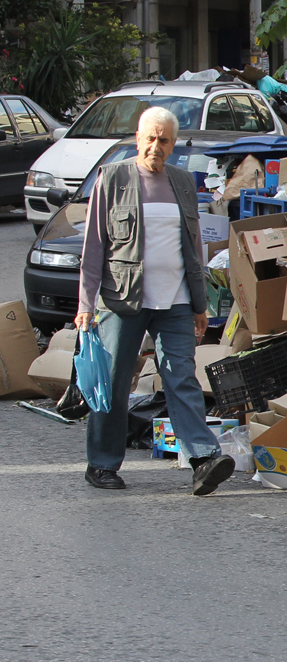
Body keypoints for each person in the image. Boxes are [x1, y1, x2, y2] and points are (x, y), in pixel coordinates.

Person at [77, 106, 235, 495]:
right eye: (150, 138)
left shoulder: (182, 181)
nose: (156, 146)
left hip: (177, 302)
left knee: (181, 378)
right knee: (113, 383)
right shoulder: (113, 178)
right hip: (122, 301)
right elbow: (94, 247)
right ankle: (102, 464)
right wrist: (84, 304)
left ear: (173, 144)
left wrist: (201, 306)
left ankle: (203, 460)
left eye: (164, 140)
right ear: (138, 138)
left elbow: (194, 249)